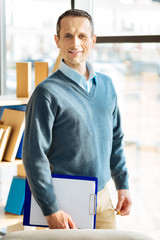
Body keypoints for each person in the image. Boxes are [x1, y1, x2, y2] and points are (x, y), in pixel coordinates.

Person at [23, 9, 132, 230]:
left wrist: (122, 185)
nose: (75, 43)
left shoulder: (107, 85)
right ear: (57, 40)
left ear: (93, 41)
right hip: (65, 202)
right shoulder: (46, 93)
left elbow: (116, 138)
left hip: (102, 198)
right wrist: (51, 209)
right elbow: (34, 156)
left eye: (82, 36)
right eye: (68, 35)